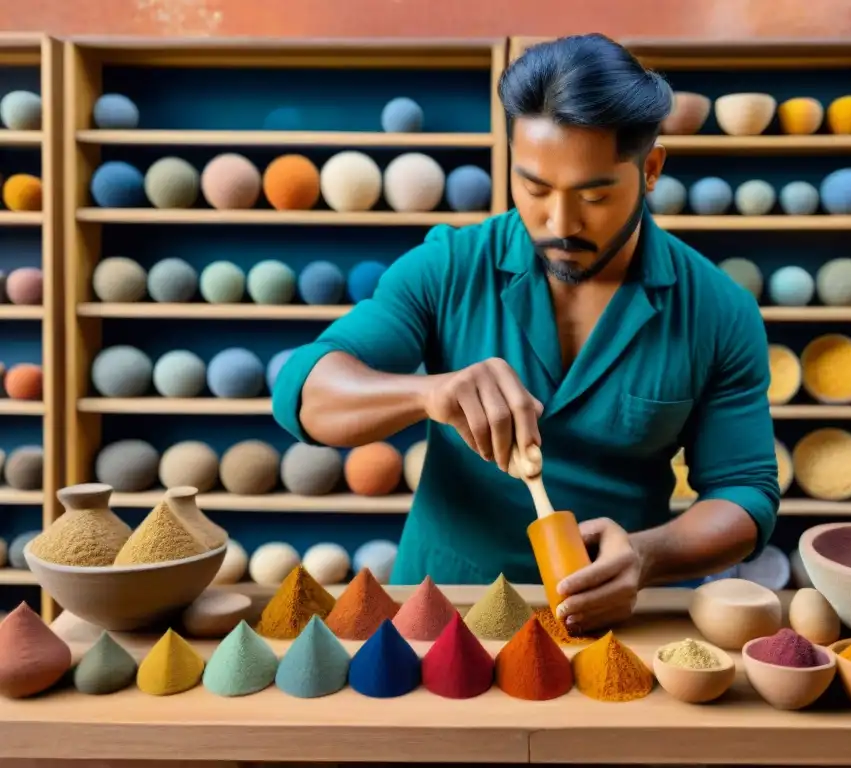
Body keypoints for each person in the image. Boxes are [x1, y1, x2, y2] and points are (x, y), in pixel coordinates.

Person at [272, 33, 780, 634]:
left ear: (649, 171)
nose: (559, 224)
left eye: (594, 194)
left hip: (611, 621)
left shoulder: (718, 310)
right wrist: (427, 394)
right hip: (442, 611)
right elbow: (305, 393)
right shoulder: (449, 265)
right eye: (535, 189)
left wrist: (645, 557)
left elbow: (744, 494)